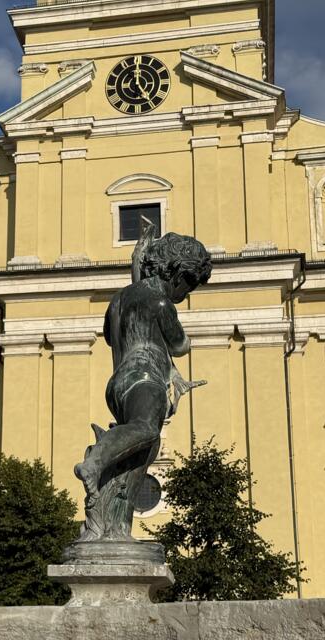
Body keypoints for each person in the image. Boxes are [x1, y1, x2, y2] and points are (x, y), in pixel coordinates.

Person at [74, 226, 212, 541]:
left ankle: (117, 527)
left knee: (140, 454)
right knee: (147, 429)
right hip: (145, 377)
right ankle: (95, 461)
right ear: (178, 275)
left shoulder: (119, 299)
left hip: (118, 383)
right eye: (188, 287)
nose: (185, 295)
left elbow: (110, 335)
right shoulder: (163, 305)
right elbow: (179, 345)